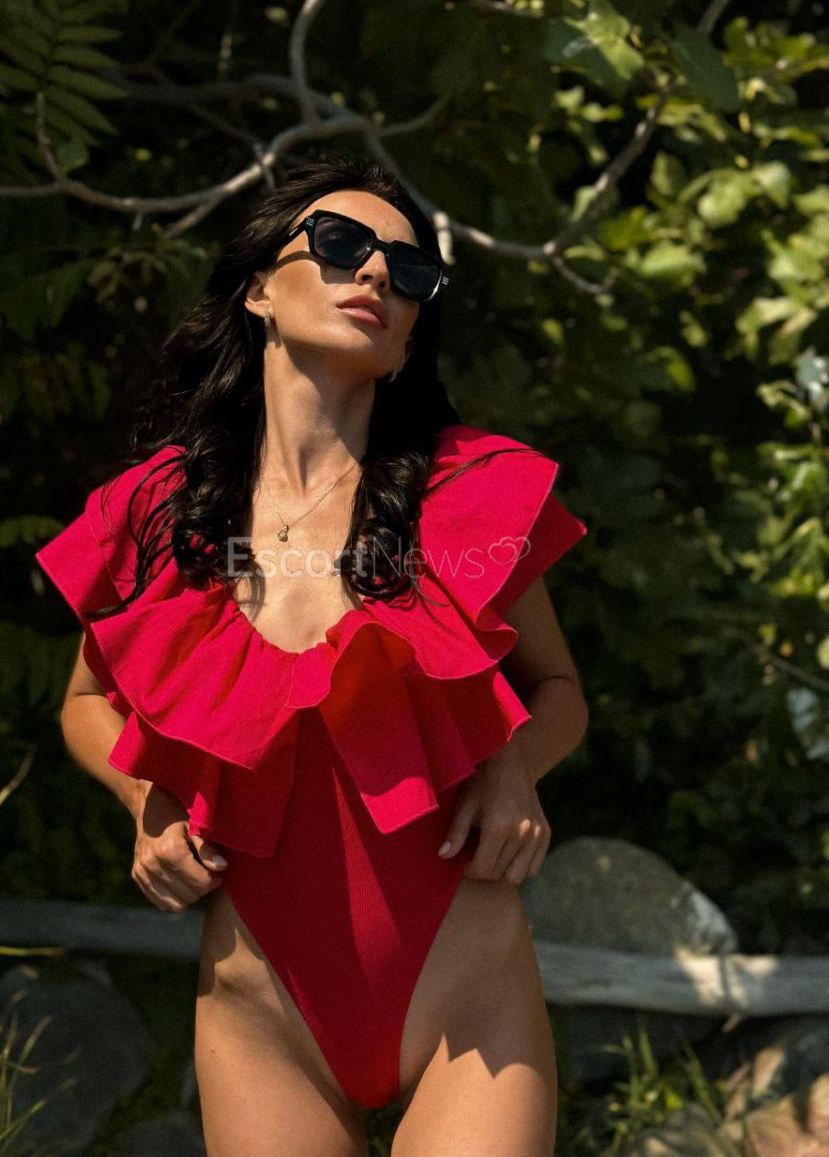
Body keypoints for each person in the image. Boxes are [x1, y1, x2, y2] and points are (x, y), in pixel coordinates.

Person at [34, 154, 589, 1157]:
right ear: (259, 288)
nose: (376, 274)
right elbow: (84, 701)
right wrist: (145, 801)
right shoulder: (157, 512)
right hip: (261, 1017)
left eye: (409, 271)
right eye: (340, 245)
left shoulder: (468, 496)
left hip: (469, 1000)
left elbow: (557, 689)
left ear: (412, 330)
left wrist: (513, 765)